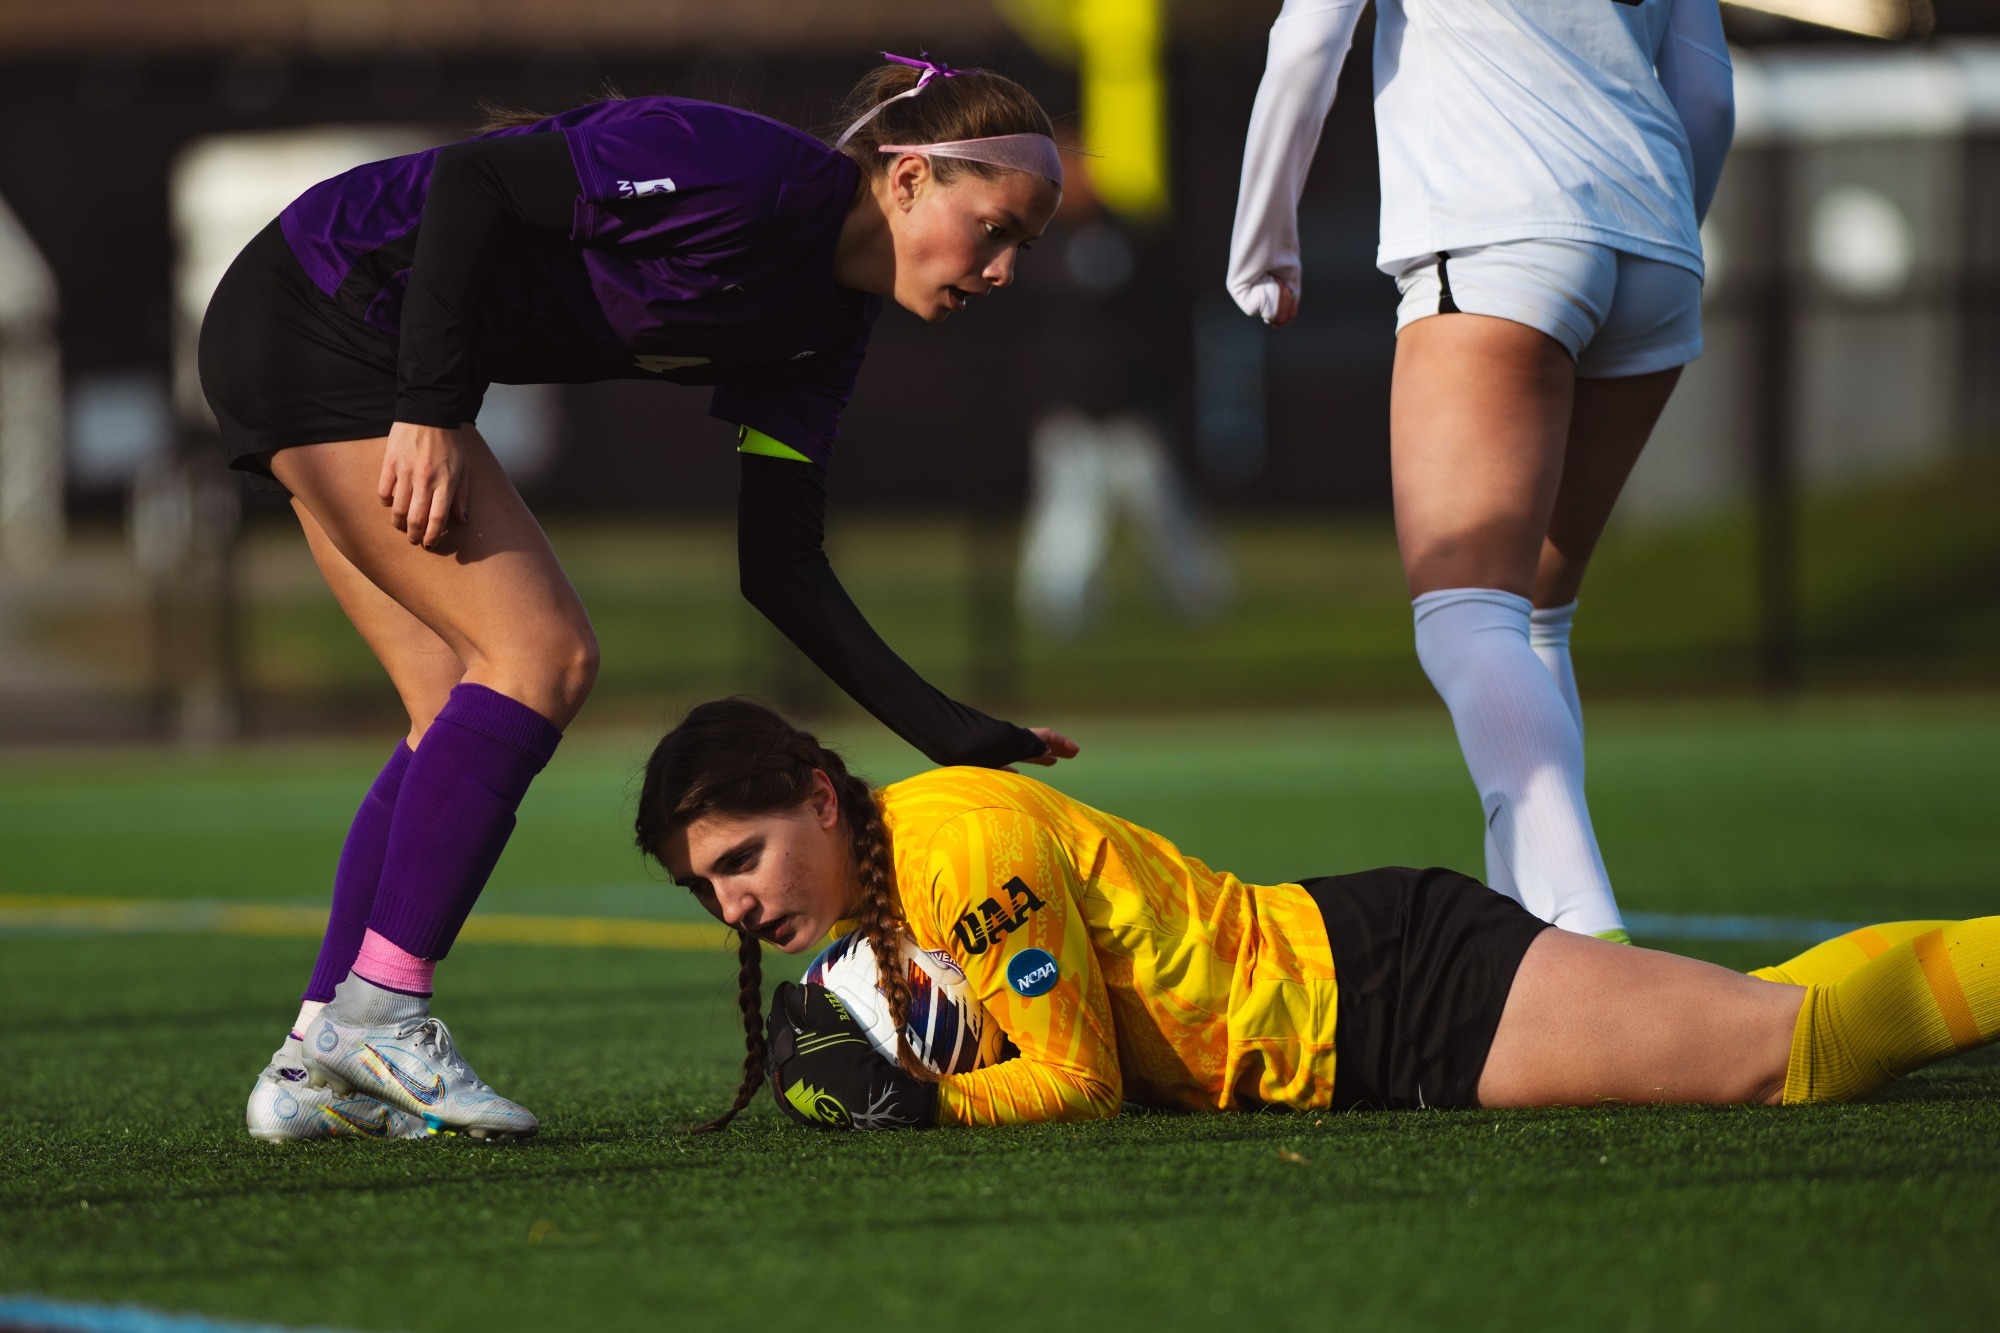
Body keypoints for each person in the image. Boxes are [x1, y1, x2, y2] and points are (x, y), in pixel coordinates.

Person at [211, 54, 1079, 1143]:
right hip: (321, 310)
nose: (1001, 270)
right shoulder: (746, 173)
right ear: (906, 180)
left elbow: (781, 569)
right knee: (545, 659)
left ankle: (313, 1063)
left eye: (1022, 248)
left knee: (453, 703)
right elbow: (479, 187)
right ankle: (381, 1011)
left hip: (337, 340)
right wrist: (431, 406)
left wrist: (959, 734)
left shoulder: (823, 331)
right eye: (993, 228)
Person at [636, 698, 1999, 1130]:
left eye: (741, 854)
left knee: (1795, 1053)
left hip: (1392, 992)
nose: (735, 900)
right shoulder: (897, 864)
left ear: (821, 797)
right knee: (1772, 1013)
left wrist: (913, 1100)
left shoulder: (963, 843)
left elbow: (1077, 1081)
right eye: (709, 886)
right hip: (1361, 989)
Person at [1225, 1, 1737, 942]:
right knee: (1537, 612)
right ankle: (1527, 931)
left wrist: (1262, 237)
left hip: (1502, 235)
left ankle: (1584, 930)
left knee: (1466, 619)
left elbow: (1306, 41)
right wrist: (1654, 226)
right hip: (1659, 243)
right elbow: (1706, 95)